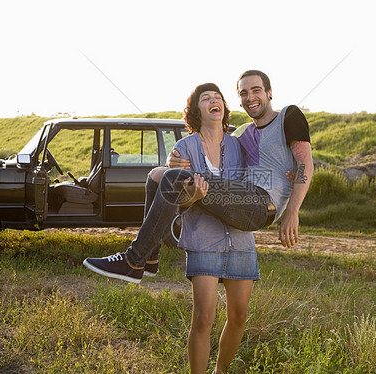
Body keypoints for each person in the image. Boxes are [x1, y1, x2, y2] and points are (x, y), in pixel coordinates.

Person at [83, 70, 313, 284]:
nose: (250, 97)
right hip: (241, 199)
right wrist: (174, 165)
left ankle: (133, 260)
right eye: (244, 93)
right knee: (158, 176)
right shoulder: (241, 134)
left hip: (263, 204)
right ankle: (149, 260)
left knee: (171, 178)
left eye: (256, 90)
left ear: (269, 92)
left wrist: (292, 211)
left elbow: (305, 163)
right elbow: (215, 156)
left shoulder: (288, 116)